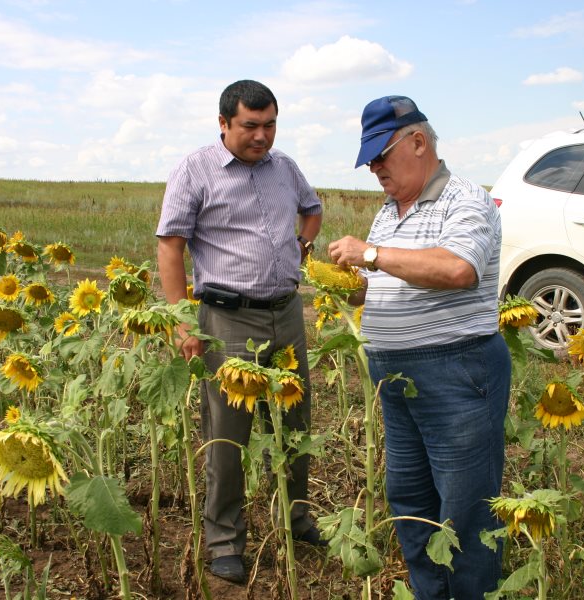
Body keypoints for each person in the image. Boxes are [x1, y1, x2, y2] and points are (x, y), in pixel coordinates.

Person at [328, 95, 511, 600]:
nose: (374, 167)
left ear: (418, 141)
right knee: (410, 502)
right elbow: (389, 280)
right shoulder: (389, 213)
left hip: (457, 374)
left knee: (466, 513)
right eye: (368, 160)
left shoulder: (466, 199)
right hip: (398, 382)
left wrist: (369, 253)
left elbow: (457, 269)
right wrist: (351, 284)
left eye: (381, 155)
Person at [156, 79, 324, 584]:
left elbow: (312, 209)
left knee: (295, 424)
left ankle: (295, 521)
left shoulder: (285, 168)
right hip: (227, 317)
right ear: (225, 123)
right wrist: (183, 319)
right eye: (251, 126)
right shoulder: (195, 169)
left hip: (286, 313)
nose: (262, 136)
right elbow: (170, 245)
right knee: (228, 435)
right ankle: (225, 540)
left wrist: (301, 245)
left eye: (270, 125)